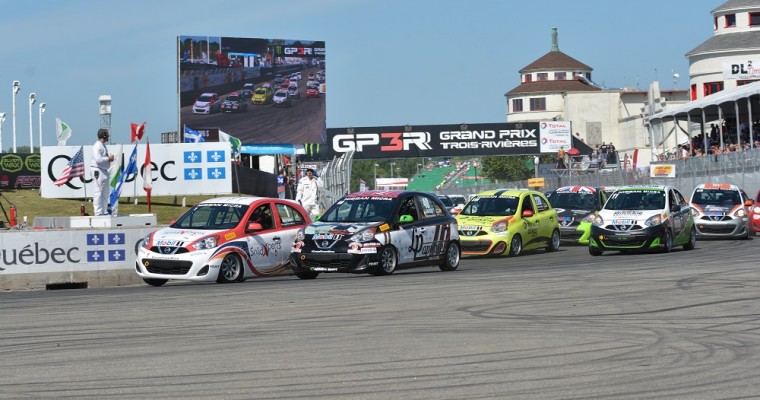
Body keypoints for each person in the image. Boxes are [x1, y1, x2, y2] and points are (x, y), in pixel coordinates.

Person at [91, 128, 114, 216]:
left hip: (104, 170)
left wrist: (109, 158)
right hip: (98, 170)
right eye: (107, 135)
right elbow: (98, 159)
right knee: (98, 192)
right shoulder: (97, 146)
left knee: (105, 192)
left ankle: (104, 211)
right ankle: (98, 212)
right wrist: (108, 158)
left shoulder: (103, 145)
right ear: (104, 136)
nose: (108, 137)